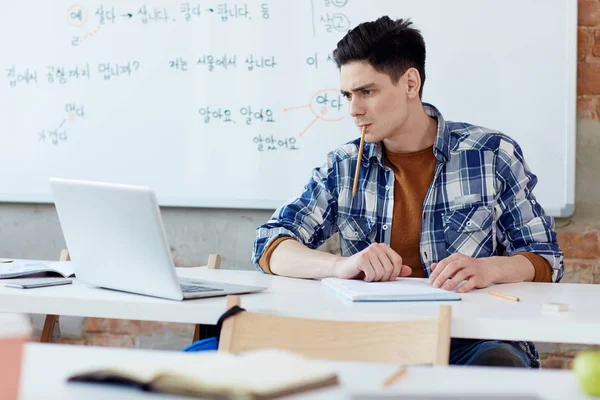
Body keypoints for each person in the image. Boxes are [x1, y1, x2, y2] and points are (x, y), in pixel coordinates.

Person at [251, 16, 564, 368]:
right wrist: (340, 265)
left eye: (367, 92)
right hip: (373, 339)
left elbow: (544, 258)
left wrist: (488, 269)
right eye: (347, 95)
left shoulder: (491, 154)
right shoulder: (343, 164)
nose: (354, 110)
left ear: (410, 83)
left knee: (499, 365)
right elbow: (270, 245)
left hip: (472, 340)